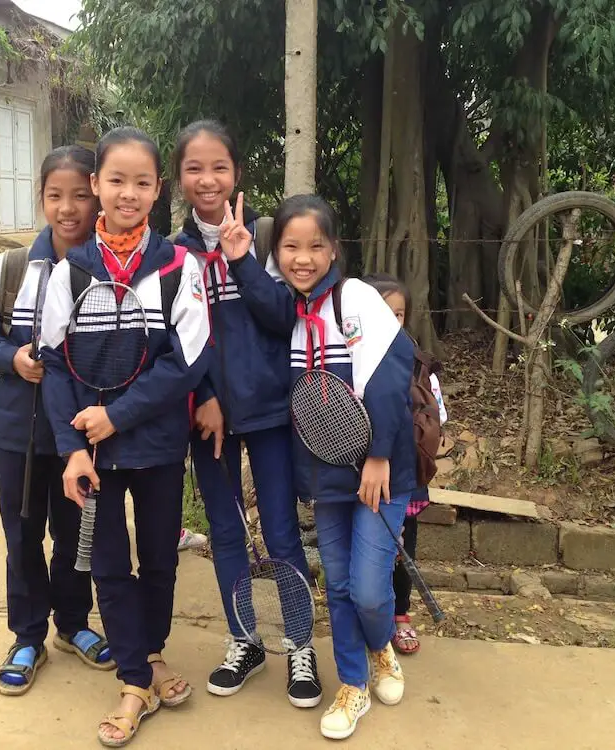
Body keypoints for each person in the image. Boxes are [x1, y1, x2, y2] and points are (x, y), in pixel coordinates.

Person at [38, 127, 211, 748]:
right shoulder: (71, 271)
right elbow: (55, 363)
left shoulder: (176, 265)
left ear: (158, 189)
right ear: (96, 185)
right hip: (95, 456)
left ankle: (152, 651)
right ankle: (136, 680)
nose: (128, 193)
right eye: (116, 180)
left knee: (160, 559)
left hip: (159, 446)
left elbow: (186, 362)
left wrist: (118, 416)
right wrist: (75, 445)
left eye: (142, 183)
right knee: (109, 566)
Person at [230, 194, 417, 739]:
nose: (303, 258)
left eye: (315, 246)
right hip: (322, 474)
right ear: (277, 253)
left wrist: (379, 454)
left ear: (334, 249)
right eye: (290, 247)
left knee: (369, 590)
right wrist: (242, 256)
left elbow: (387, 375)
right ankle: (354, 683)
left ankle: (380, 645)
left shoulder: (354, 299)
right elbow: (261, 308)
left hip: (377, 471)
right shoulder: (289, 309)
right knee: (336, 585)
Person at [171, 120, 321, 707]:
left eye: (219, 168)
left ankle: (301, 647)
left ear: (237, 172)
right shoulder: (172, 253)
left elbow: (285, 317)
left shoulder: (266, 238)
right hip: (207, 419)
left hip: (268, 412)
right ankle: (245, 641)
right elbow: (177, 339)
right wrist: (203, 396)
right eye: (194, 168)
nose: (208, 180)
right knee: (227, 529)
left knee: (282, 532)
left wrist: (241, 262)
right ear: (179, 178)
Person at [0, 146, 115, 696]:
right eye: (56, 196)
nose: (69, 208)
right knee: (23, 533)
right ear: (42, 200)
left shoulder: (108, 269)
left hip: (79, 432)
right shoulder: (10, 270)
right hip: (17, 432)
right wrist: (14, 359)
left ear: (96, 194)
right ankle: (27, 635)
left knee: (77, 534)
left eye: (80, 195)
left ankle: (73, 625)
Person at [362, 273, 449, 656]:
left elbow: (438, 413)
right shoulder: (350, 356)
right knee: (367, 553)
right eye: (382, 312)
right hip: (360, 474)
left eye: (398, 314)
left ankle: (400, 615)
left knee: (402, 549)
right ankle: (367, 618)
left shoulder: (417, 362)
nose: (391, 321)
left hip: (405, 474)